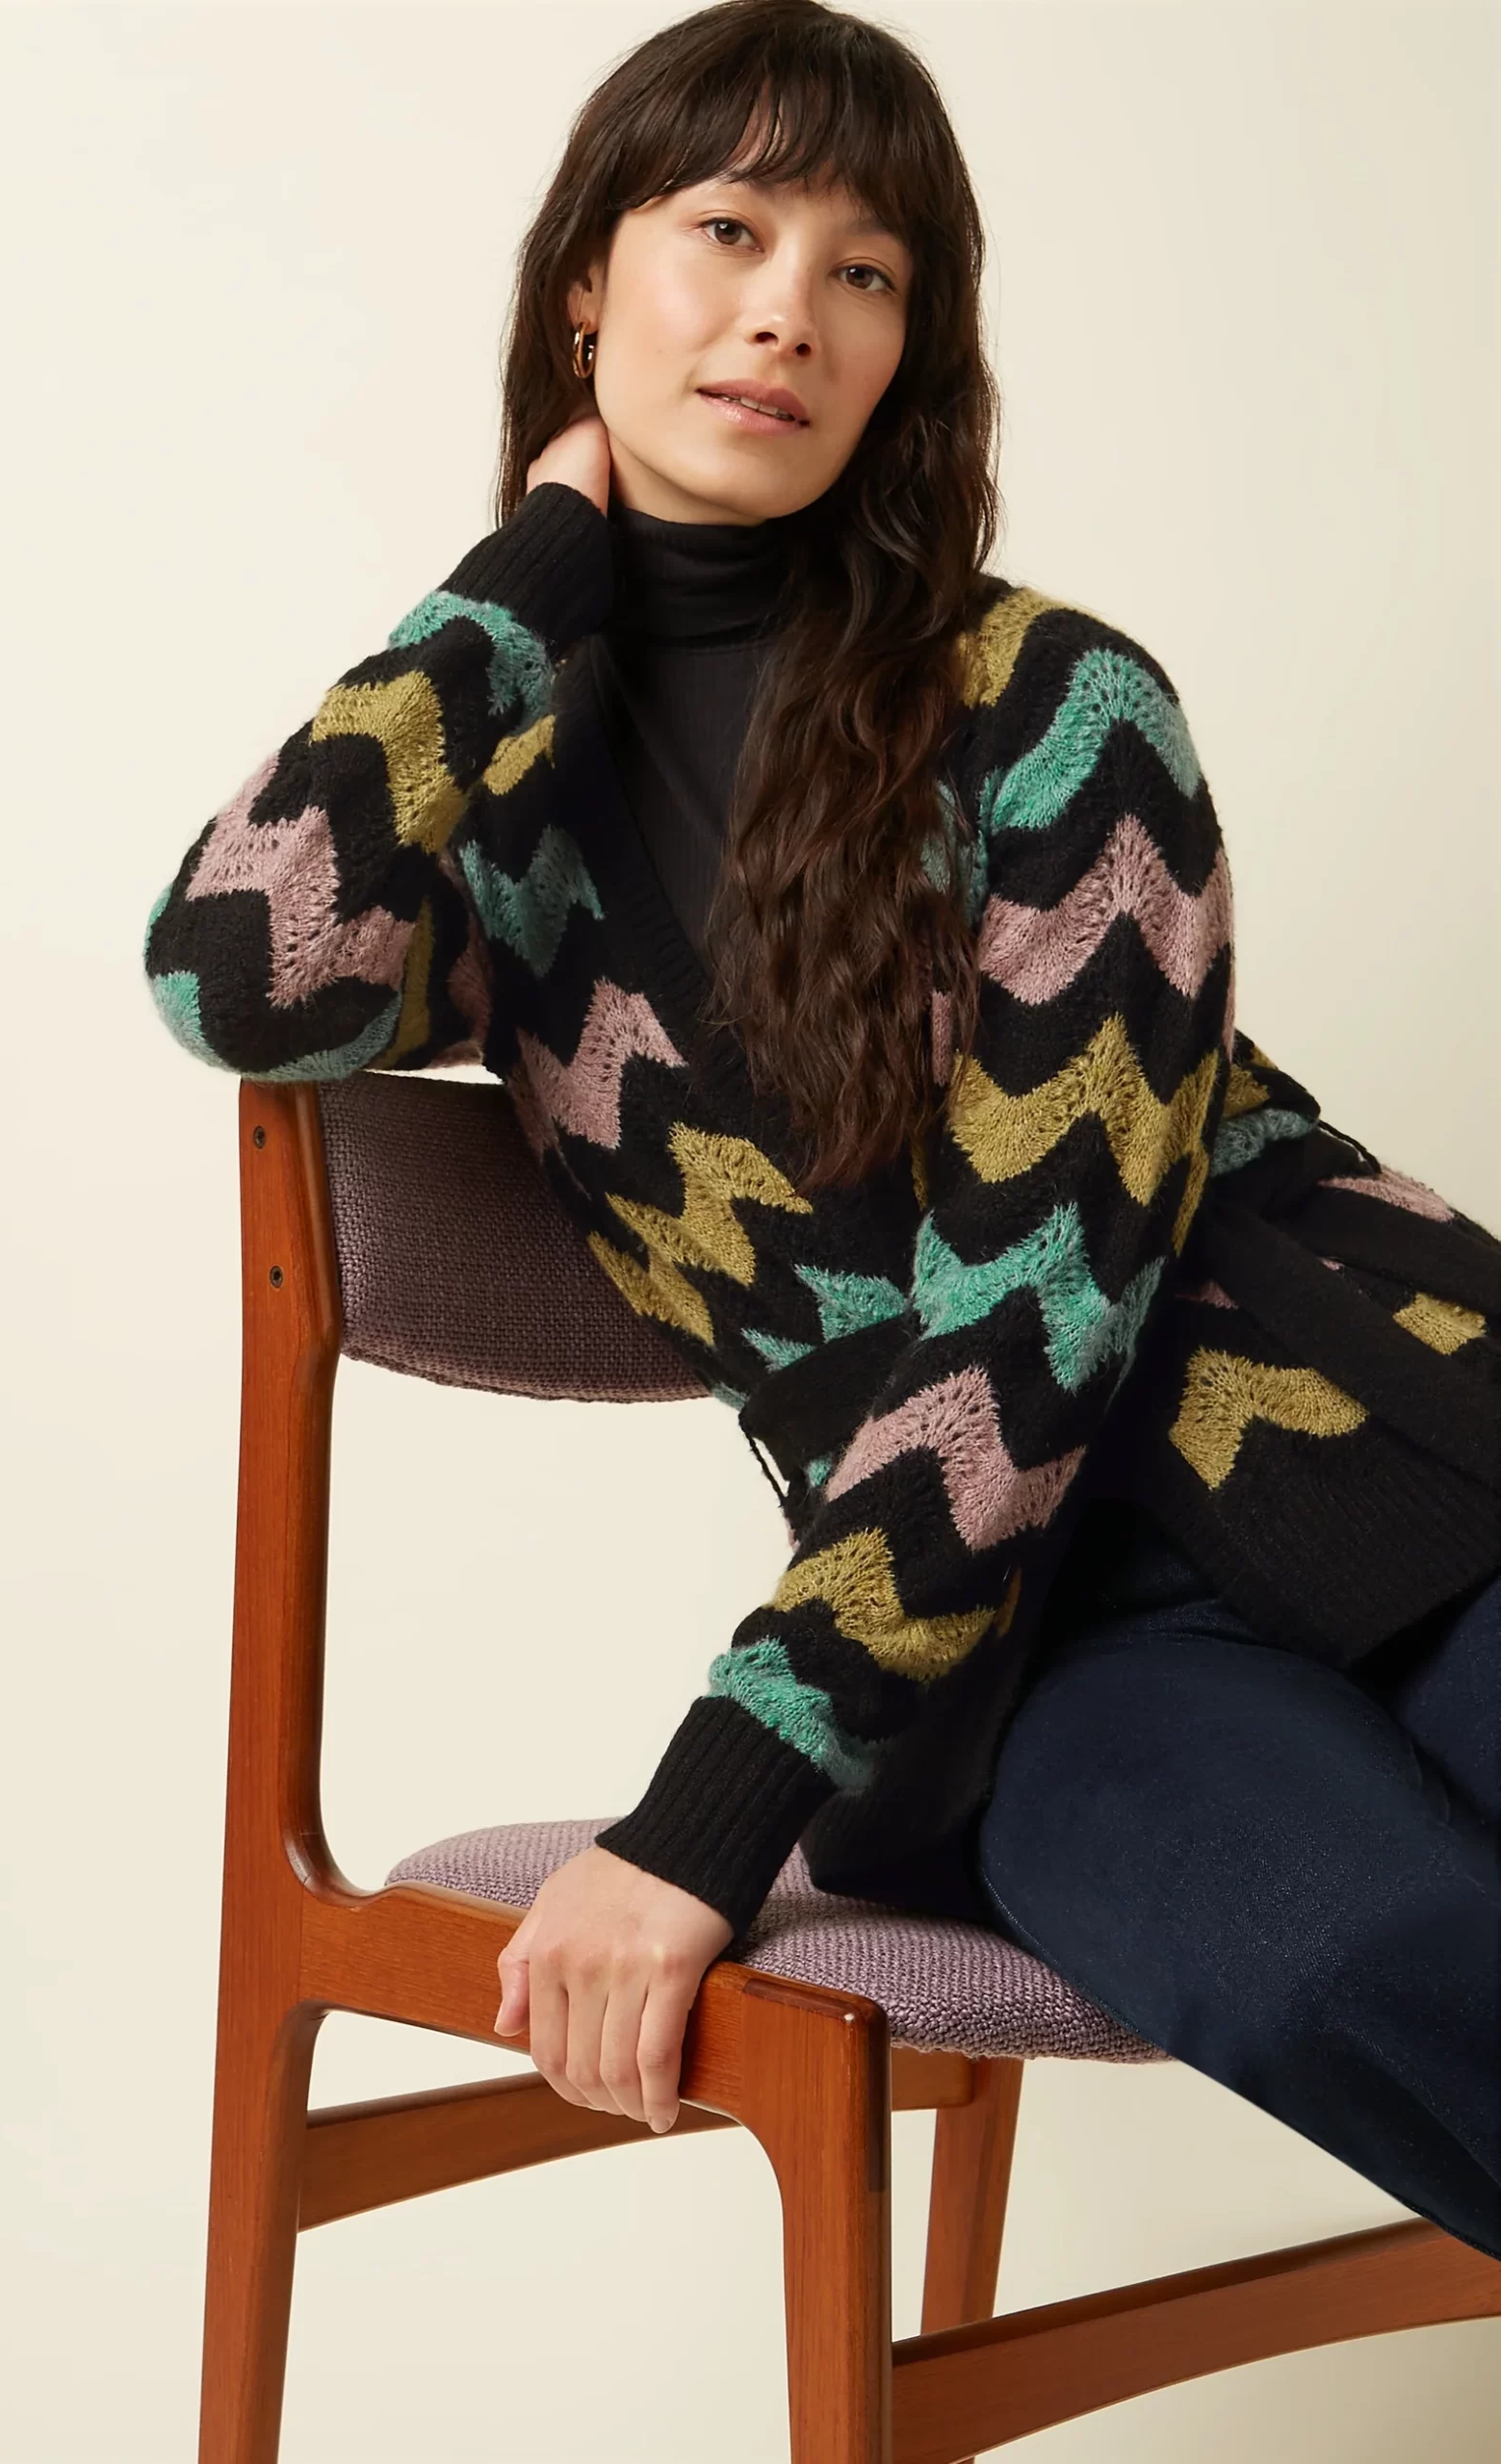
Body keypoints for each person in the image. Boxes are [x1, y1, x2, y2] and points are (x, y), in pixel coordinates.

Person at [141, 0, 1501, 2255]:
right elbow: (239, 966)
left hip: (1414, 1456)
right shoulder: (513, 842)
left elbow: (1040, 1304)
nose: (788, 307)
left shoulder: (1053, 709)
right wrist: (529, 571)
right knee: (1348, 1960)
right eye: (728, 229)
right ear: (587, 284)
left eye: (865, 270)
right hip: (1035, 1665)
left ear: (905, 357)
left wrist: (705, 1806)